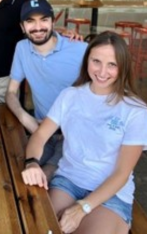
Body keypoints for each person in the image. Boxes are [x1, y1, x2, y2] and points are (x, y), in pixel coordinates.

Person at [22, 31, 147, 234]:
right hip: (69, 181)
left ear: (123, 67)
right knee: (39, 227)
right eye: (96, 61)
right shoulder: (70, 95)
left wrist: (83, 207)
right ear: (86, 60)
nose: (102, 71)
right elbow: (40, 135)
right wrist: (32, 163)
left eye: (112, 64)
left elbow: (122, 173)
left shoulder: (135, 110)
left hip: (112, 194)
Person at [6, 0, 87, 180]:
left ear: (53, 22)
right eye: (30, 21)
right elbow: (11, 92)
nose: (38, 27)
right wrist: (24, 117)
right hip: (42, 131)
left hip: (75, 135)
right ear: (22, 26)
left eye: (44, 19)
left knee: (50, 176)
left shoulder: (80, 50)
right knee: (18, 173)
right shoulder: (22, 48)